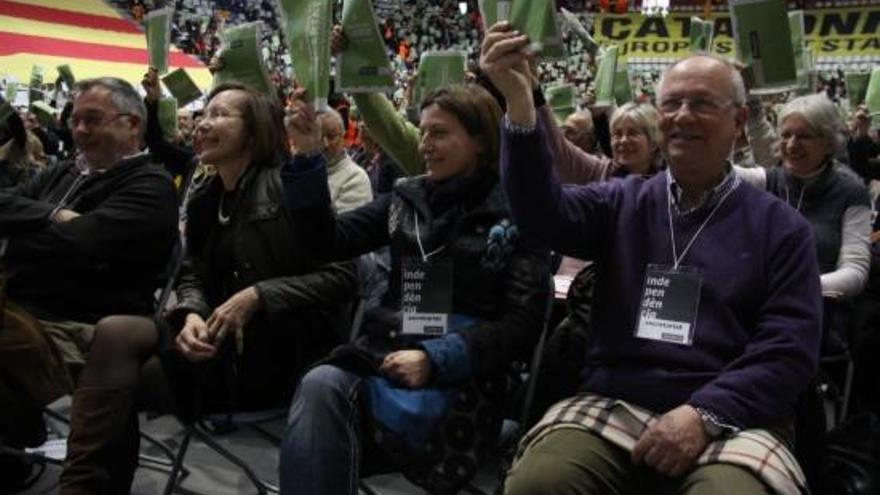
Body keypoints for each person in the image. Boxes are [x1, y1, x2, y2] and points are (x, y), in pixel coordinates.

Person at [484, 21, 821, 495]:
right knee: (538, 484)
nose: (682, 115)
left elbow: (789, 351)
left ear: (740, 122)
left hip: (735, 416)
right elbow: (543, 216)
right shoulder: (622, 200)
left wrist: (702, 415)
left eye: (702, 103)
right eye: (671, 104)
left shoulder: (783, 229)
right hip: (618, 400)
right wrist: (520, 105)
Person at [58, 83, 358, 494]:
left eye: (219, 114)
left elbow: (342, 277)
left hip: (269, 351)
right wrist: (191, 313)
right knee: (114, 334)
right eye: (204, 114)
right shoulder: (204, 196)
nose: (202, 123)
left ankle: (88, 488)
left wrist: (258, 296)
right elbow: (192, 273)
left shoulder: (290, 189)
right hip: (212, 338)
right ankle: (86, 488)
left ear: (254, 132)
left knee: (114, 385)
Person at [279, 83, 551, 495]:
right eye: (423, 132)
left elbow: (522, 325)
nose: (425, 144)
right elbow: (324, 243)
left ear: (480, 140)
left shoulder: (517, 211)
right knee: (321, 386)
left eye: (440, 133)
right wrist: (309, 159)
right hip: (387, 356)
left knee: (322, 412)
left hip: (466, 379)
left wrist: (436, 359)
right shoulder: (405, 197)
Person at [0, 77, 178, 487]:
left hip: (82, 330)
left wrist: (26, 228)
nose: (78, 130)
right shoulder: (63, 171)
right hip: (22, 309)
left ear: (132, 125)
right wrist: (52, 216)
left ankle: (17, 435)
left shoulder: (151, 187)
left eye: (92, 120)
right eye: (74, 120)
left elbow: (86, 240)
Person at [736, 93, 872, 301]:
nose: (791, 145)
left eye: (804, 136)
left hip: (820, 317)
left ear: (829, 143)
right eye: (785, 135)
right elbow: (713, 173)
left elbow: (855, 272)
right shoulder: (768, 180)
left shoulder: (851, 191)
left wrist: (794, 288)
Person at [317, 108, 373, 213]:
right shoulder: (303, 170)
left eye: (331, 136)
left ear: (343, 137)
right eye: (319, 137)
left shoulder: (355, 178)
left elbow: (341, 227)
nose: (325, 144)